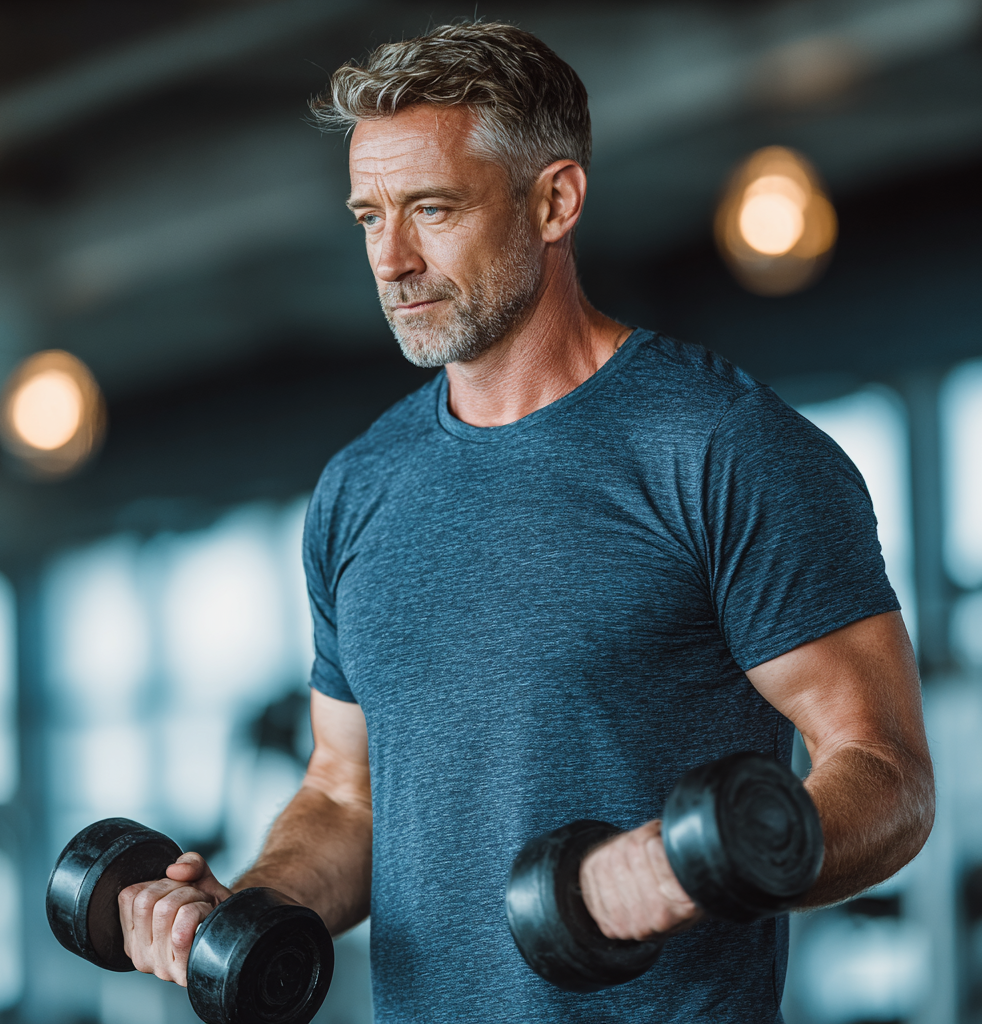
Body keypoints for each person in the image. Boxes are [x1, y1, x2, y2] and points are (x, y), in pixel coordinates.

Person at [117, 22, 935, 1023]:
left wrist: (699, 865)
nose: (394, 259)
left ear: (553, 200)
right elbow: (344, 796)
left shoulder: (722, 449)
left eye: (432, 209)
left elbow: (885, 778)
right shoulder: (358, 488)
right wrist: (244, 906)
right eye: (368, 216)